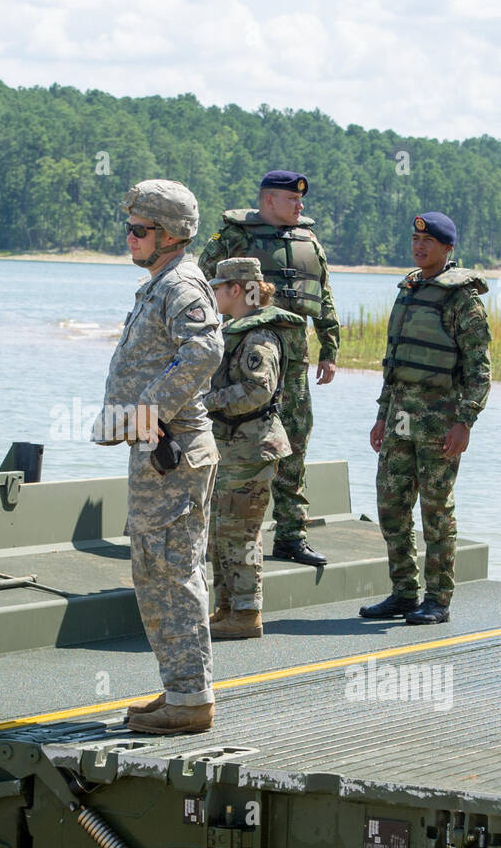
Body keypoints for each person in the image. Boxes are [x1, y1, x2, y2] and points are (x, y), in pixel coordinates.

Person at [93, 179, 223, 735]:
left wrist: (148, 410)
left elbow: (205, 350)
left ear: (169, 236)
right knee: (155, 569)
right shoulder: (159, 284)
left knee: (172, 570)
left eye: (139, 230)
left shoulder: (182, 285)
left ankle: (191, 699)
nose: (129, 238)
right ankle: (180, 688)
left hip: (172, 451)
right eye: (129, 228)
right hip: (157, 451)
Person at [198, 170, 340, 569]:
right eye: (291, 200)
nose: (300, 206)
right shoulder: (233, 237)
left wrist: (330, 346)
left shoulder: (308, 240)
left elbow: (323, 294)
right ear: (267, 202)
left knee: (293, 442)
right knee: (231, 439)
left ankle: (292, 535)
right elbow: (204, 288)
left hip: (294, 361)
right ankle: (214, 531)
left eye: (301, 200)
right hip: (241, 356)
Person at [361, 212, 491, 625]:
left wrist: (465, 421)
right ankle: (403, 592)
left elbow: (479, 370)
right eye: (415, 242)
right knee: (392, 505)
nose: (419, 248)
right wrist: (382, 416)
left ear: (447, 248)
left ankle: (438, 600)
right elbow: (394, 362)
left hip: (440, 420)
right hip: (400, 416)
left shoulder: (463, 300)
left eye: (428, 243)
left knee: (435, 512)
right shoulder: (409, 290)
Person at [205, 258, 305, 640]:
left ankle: (247, 613)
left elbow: (258, 390)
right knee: (221, 530)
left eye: (218, 287)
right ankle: (228, 607)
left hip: (251, 449)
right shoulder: (238, 331)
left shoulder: (258, 338)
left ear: (236, 289)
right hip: (233, 449)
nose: (213, 294)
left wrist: (207, 400)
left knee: (242, 532)